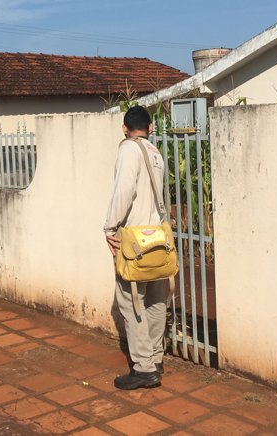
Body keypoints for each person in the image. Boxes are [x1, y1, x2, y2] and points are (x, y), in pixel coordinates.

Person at [104, 105, 167, 389]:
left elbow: (124, 188)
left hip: (134, 240)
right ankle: (155, 357)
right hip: (156, 238)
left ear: (124, 128)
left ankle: (143, 369)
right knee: (156, 300)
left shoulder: (129, 149)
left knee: (131, 302)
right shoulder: (155, 153)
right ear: (150, 127)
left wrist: (109, 226)